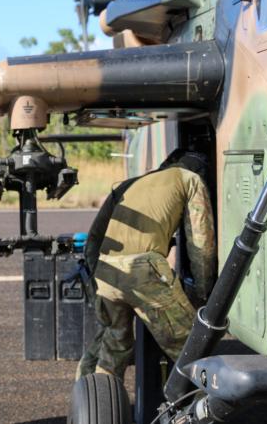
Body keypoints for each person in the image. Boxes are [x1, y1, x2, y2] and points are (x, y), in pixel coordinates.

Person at [75, 149, 216, 380]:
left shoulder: (131, 184)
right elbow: (201, 244)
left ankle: (91, 396)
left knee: (114, 344)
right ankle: (199, 406)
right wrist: (203, 290)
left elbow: (94, 239)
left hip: (107, 271)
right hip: (145, 272)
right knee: (190, 346)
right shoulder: (190, 180)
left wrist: (95, 283)